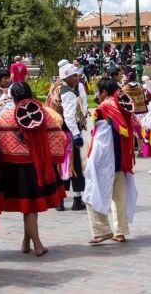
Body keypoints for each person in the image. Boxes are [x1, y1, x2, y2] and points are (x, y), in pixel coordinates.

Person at [0, 81, 67, 256]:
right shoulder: (44, 114)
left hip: (15, 169)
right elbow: (60, 136)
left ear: (13, 97)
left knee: (29, 207)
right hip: (37, 165)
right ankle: (37, 245)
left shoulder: (7, 115)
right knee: (31, 208)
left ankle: (27, 242)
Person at [84, 78, 138, 244]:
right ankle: (120, 232)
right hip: (122, 158)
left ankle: (102, 231)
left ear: (104, 92)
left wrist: (92, 159)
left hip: (106, 159)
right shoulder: (122, 104)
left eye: (98, 91)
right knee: (119, 196)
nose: (97, 95)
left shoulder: (103, 108)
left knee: (92, 192)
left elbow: (101, 137)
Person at [50, 62, 88, 211]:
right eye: (74, 75)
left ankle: (60, 200)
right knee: (74, 164)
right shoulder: (68, 93)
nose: (77, 78)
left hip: (57, 132)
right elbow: (70, 116)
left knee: (60, 164)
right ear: (67, 76)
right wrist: (77, 134)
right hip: (69, 131)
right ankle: (77, 199)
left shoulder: (56, 88)